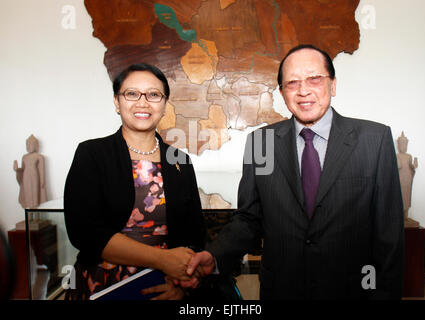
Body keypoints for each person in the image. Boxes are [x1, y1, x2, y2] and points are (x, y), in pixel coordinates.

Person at [185, 44, 405, 300]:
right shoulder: (261, 143)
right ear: (281, 92)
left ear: (332, 85)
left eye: (314, 79)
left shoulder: (373, 140)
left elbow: (389, 233)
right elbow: (249, 219)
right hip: (282, 289)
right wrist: (215, 255)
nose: (303, 91)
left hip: (353, 291)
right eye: (292, 83)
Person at [64, 63, 206, 300]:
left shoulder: (180, 161)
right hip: (101, 286)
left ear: (164, 104)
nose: (143, 102)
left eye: (153, 94)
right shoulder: (91, 154)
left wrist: (182, 284)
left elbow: (195, 236)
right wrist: (162, 260)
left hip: (165, 286)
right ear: (116, 102)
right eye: (131, 94)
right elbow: (85, 232)